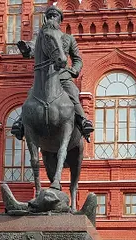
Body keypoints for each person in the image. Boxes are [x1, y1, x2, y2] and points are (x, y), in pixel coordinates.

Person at [12, 5, 95, 141]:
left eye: (54, 16)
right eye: (49, 16)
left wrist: (74, 70)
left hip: (63, 76)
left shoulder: (68, 38)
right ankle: (20, 123)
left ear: (60, 20)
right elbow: (32, 48)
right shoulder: (42, 36)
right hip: (45, 78)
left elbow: (77, 59)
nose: (51, 18)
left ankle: (83, 121)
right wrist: (26, 48)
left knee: (73, 93)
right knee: (32, 93)